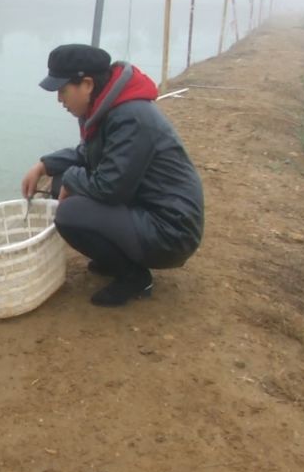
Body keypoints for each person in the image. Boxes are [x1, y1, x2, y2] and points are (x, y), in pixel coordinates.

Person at [21, 44, 204, 307]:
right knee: (60, 184)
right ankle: (116, 259)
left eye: (62, 91)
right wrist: (44, 165)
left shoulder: (130, 116)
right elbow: (87, 153)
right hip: (148, 208)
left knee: (70, 213)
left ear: (86, 84)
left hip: (172, 230)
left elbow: (110, 188)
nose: (60, 100)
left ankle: (135, 278)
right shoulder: (105, 109)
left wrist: (73, 179)